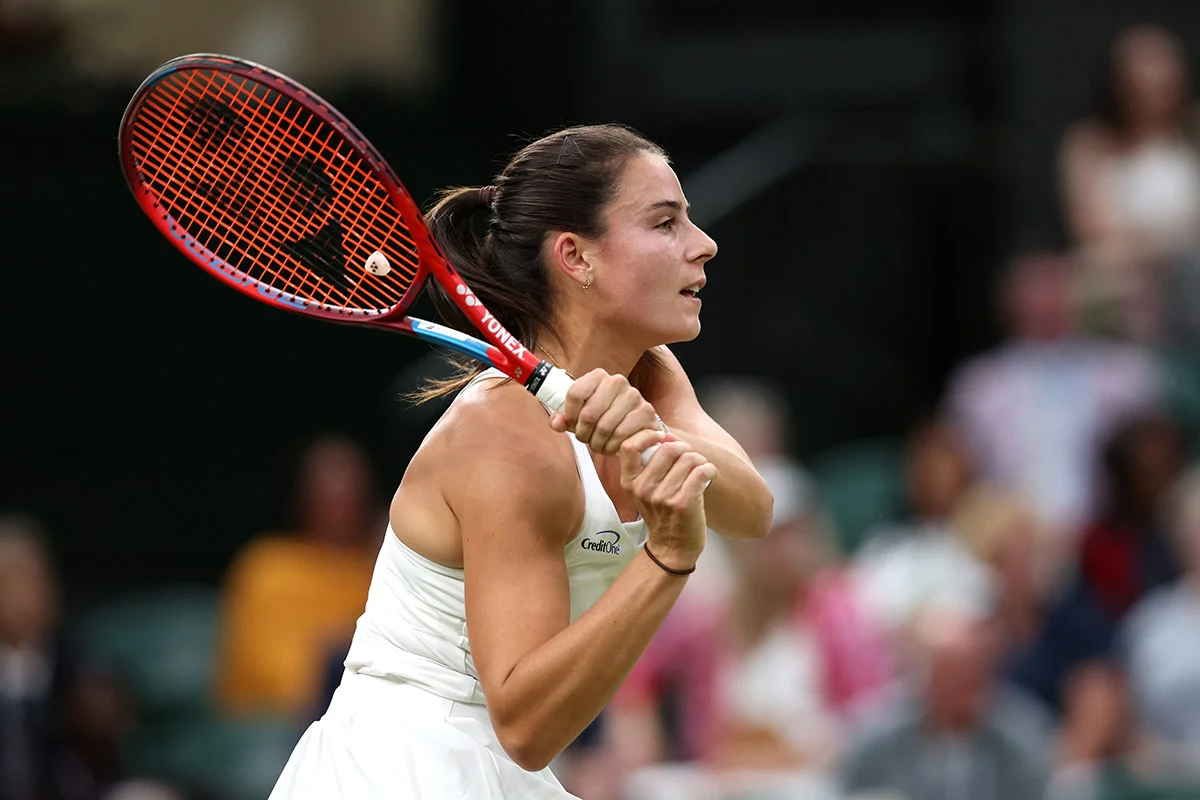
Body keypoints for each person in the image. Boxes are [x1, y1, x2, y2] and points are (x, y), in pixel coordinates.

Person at [267, 123, 773, 799]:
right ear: (576, 256)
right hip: (404, 767)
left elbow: (753, 509)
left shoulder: (649, 371)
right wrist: (667, 559)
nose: (703, 242)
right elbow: (528, 726)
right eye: (665, 222)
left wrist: (652, 434)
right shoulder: (503, 442)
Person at [214, 435, 380, 720]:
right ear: (302, 500)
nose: (341, 511)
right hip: (273, 724)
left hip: (362, 714)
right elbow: (284, 681)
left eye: (351, 498)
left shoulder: (376, 567)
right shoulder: (269, 566)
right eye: (330, 500)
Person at [1059, 23, 1200, 343]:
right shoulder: (1088, 143)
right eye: (1139, 79)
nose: (1151, 87)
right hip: (1121, 278)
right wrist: (1166, 244)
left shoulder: (1195, 132)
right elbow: (1091, 229)